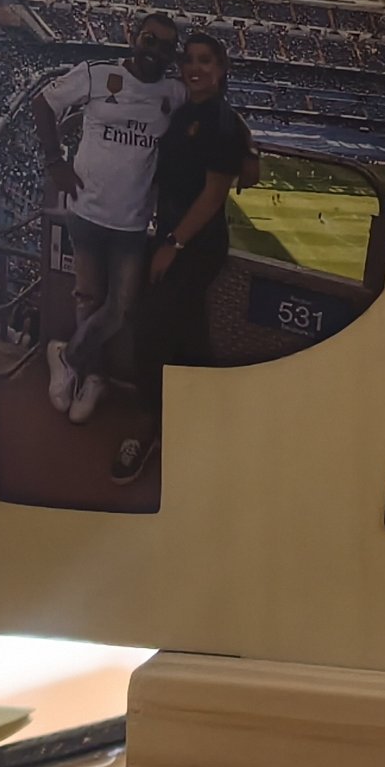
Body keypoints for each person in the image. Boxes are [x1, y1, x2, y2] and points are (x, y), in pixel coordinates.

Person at [110, 31, 256, 484]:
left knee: (149, 328)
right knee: (190, 334)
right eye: (190, 59)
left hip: (194, 243)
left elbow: (213, 196)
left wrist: (172, 245)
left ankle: (149, 426)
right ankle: (206, 420)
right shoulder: (191, 112)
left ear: (222, 68)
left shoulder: (220, 121)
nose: (195, 67)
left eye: (205, 60)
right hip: (176, 236)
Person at [33, 13, 184, 422]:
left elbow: (216, 106)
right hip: (85, 212)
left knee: (122, 307)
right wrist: (55, 162)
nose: (156, 51)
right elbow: (43, 103)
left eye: (166, 46)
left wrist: (248, 147)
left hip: (132, 223)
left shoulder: (174, 92)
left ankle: (67, 357)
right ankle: (94, 377)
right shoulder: (97, 74)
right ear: (133, 36)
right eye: (150, 40)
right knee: (88, 298)